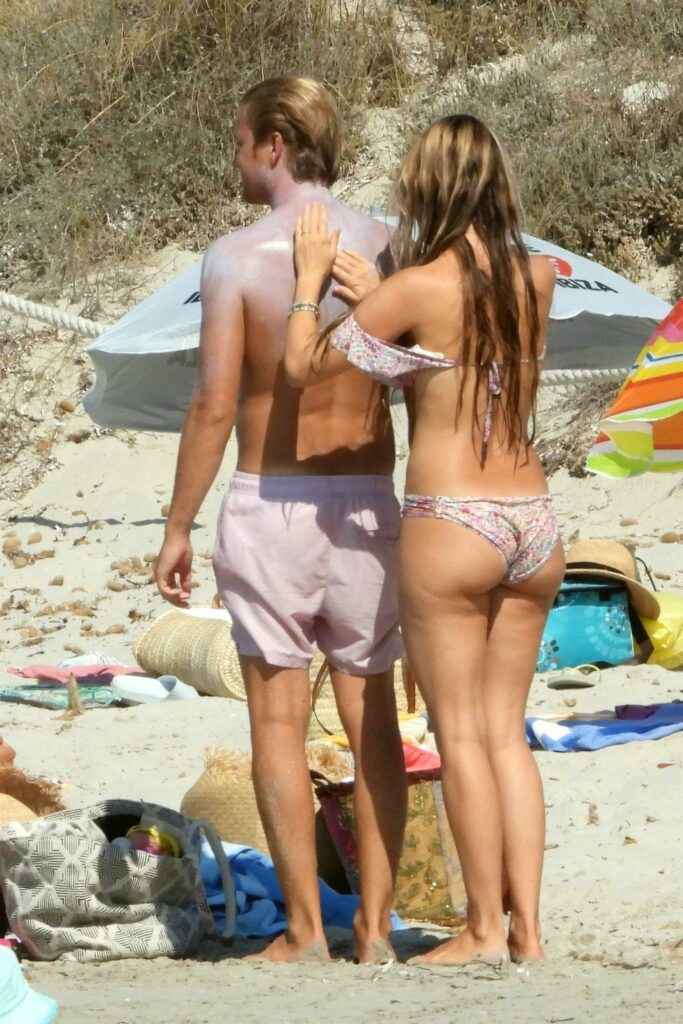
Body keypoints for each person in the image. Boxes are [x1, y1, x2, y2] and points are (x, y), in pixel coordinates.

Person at [285, 113, 564, 967]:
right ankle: (526, 931)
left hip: (452, 518)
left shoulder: (415, 288)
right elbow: (462, 360)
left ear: (425, 188)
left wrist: (312, 288)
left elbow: (305, 365)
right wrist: (385, 298)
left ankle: (479, 929)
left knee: (461, 733)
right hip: (532, 519)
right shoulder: (538, 277)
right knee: (506, 732)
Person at [155, 76, 407, 965]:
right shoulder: (387, 244)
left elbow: (213, 404)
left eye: (239, 142)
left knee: (275, 721)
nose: (235, 160)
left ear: (272, 143)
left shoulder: (234, 258)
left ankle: (304, 929)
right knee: (372, 718)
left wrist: (177, 525)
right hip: (367, 498)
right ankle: (375, 927)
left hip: (271, 499)